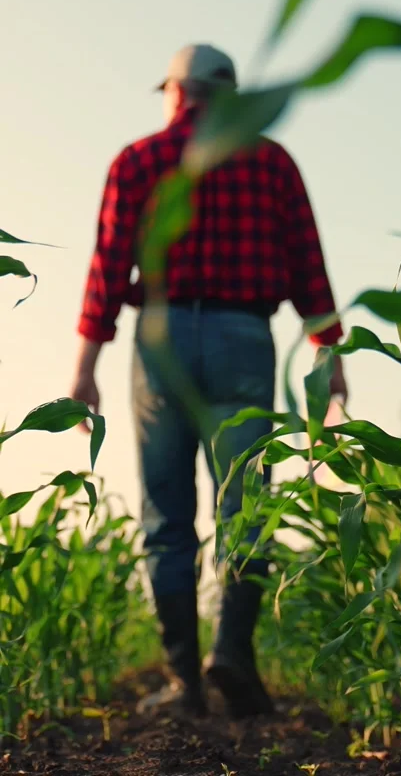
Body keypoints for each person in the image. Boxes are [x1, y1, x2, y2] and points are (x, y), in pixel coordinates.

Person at [71, 43, 347, 720]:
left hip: (161, 340)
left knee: (168, 516)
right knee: (244, 505)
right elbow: (308, 259)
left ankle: (183, 683)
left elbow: (108, 268)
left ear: (177, 93)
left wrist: (84, 367)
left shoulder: (137, 161)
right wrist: (329, 351)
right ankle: (232, 655)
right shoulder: (271, 161)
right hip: (244, 338)